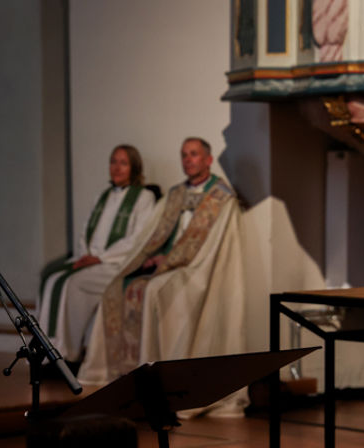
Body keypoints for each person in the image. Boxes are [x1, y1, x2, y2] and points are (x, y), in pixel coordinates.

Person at [77, 137, 247, 417]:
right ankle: (117, 375)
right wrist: (148, 259)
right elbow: (152, 235)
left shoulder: (221, 197)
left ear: (208, 159)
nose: (188, 159)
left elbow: (210, 246)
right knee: (117, 288)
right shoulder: (176, 193)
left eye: (194, 154)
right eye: (184, 155)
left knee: (154, 291)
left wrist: (167, 261)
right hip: (168, 266)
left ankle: (161, 383)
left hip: (198, 270)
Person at [36, 144, 156, 366]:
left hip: (116, 264)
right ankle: (46, 352)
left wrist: (101, 258)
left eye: (123, 163)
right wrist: (86, 254)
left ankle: (66, 353)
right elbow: (86, 231)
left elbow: (139, 238)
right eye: (113, 161)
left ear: (134, 167)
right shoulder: (102, 196)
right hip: (91, 260)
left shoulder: (144, 197)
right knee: (50, 278)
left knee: (73, 284)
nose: (116, 167)